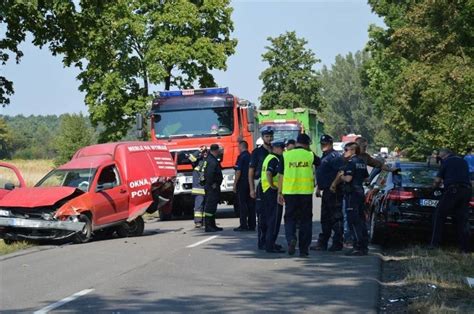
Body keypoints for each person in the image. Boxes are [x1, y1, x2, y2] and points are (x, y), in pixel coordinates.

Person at [277, 133, 320, 257]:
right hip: (305, 193)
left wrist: (280, 193)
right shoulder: (310, 155)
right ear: (307, 144)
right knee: (305, 221)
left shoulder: (286, 155)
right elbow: (320, 163)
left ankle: (291, 239)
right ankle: (303, 249)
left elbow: (281, 175)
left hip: (290, 192)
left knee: (290, 218)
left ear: (296, 143)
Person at [331, 142, 369, 256]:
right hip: (360, 192)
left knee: (353, 220)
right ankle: (364, 245)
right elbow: (367, 178)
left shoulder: (351, 163)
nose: (344, 152)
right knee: (361, 220)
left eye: (346, 150)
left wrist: (341, 176)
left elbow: (348, 179)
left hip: (352, 194)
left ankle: (358, 246)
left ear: (353, 150)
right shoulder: (362, 162)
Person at [431, 148, 471, 253]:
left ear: (444, 155)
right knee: (462, 219)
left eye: (440, 156)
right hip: (466, 191)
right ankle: (465, 248)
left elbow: (437, 180)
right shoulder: (463, 161)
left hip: (453, 190)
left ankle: (434, 244)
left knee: (439, 215)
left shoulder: (446, 162)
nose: (439, 158)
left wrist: (434, 187)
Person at [311, 135, 345, 252]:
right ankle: (323, 242)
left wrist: (334, 184)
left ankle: (337, 242)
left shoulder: (335, 156)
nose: (323, 146)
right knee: (325, 218)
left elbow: (341, 172)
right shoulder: (324, 156)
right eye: (322, 144)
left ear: (331, 144)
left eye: (325, 144)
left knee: (336, 217)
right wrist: (319, 188)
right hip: (326, 190)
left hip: (334, 190)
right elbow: (322, 173)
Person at [249, 126, 274, 249]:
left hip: (272, 188)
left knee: (272, 216)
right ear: (263, 137)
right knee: (262, 216)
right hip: (260, 187)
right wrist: (252, 189)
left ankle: (270, 241)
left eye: (270, 136)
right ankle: (262, 241)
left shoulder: (275, 150)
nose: (269, 139)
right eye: (266, 136)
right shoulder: (257, 152)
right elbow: (251, 171)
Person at [261, 139, 286, 253]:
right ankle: (270, 245)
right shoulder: (275, 159)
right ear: (275, 148)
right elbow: (269, 173)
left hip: (266, 191)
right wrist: (272, 185)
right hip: (272, 192)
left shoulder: (268, 157)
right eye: (281, 147)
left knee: (269, 218)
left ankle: (270, 243)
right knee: (274, 219)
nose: (283, 150)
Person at [233, 140, 255, 231]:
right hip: (250, 182)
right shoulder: (250, 156)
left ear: (241, 147)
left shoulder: (241, 157)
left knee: (242, 204)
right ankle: (252, 224)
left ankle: (243, 225)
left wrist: (234, 184)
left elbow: (238, 171)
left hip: (242, 183)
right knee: (251, 204)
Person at [203, 144, 224, 232]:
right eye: (219, 150)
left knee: (213, 207)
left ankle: (213, 225)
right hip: (212, 187)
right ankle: (208, 226)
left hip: (212, 187)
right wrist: (213, 183)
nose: (220, 152)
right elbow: (210, 174)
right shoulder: (212, 161)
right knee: (210, 207)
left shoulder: (211, 159)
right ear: (215, 150)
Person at [188, 146, 208, 228]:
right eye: (204, 152)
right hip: (198, 188)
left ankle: (205, 221)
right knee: (198, 206)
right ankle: (198, 222)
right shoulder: (197, 161)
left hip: (206, 188)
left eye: (206, 152)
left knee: (206, 206)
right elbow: (191, 157)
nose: (205, 153)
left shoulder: (209, 162)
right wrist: (198, 150)